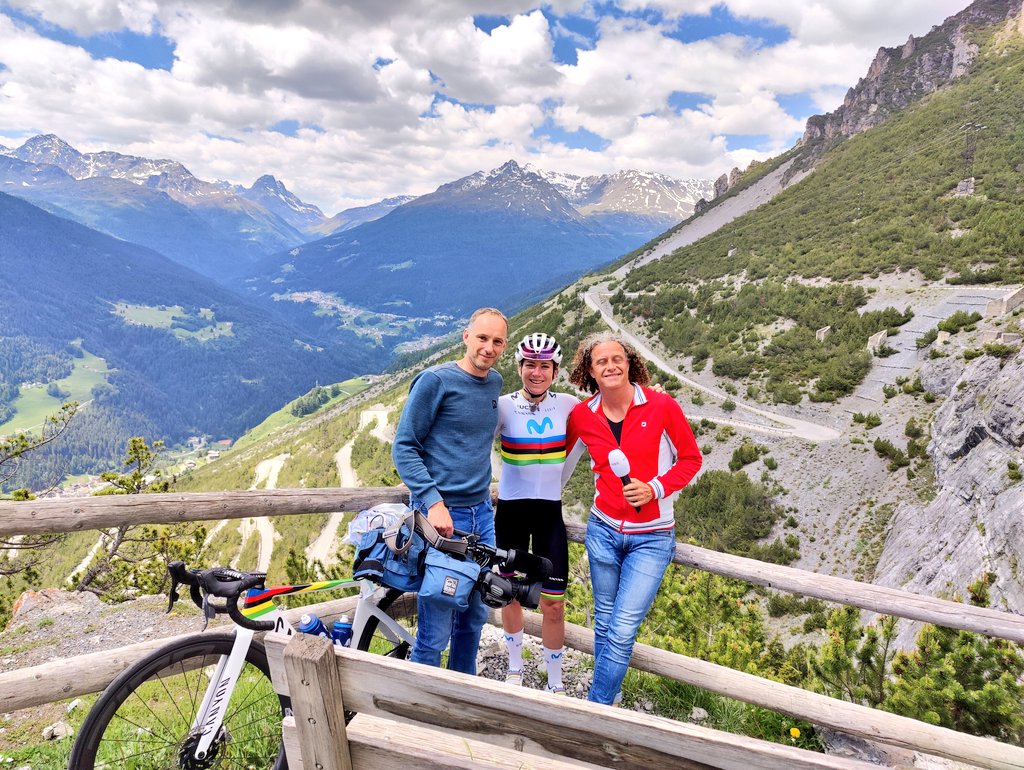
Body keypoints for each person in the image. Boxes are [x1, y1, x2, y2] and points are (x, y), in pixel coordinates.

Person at [565, 332, 702, 706]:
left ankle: (597, 706)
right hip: (602, 530)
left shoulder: (661, 406)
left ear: (629, 363)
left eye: (617, 359)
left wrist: (655, 488)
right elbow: (556, 460)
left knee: (622, 629)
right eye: (601, 362)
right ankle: (610, 691)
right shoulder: (582, 414)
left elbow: (691, 460)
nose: (610, 366)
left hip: (652, 537)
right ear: (589, 371)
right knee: (606, 622)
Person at [391, 307, 508, 674]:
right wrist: (433, 502)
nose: (488, 347)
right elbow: (404, 447)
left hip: (481, 516)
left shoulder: (495, 384)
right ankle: (423, 708)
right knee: (436, 622)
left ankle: (462, 693)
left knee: (475, 614)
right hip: (442, 518)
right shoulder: (435, 381)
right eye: (482, 338)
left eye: (497, 341)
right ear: (466, 336)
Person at [494, 332, 583, 694]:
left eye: (544, 366)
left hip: (549, 516)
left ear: (555, 371)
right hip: (510, 514)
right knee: (510, 594)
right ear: (519, 367)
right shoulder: (502, 405)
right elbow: (473, 446)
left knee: (554, 605)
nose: (536, 372)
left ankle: (555, 681)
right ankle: (516, 667)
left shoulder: (569, 405)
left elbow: (584, 443)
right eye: (529, 364)